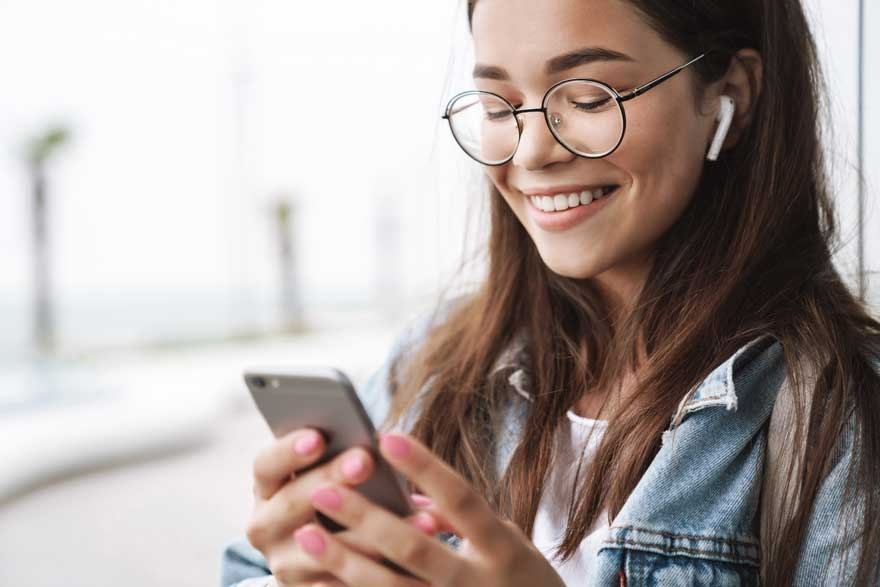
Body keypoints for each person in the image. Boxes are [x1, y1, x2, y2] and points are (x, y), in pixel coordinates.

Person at [220, 0, 880, 585]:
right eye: (499, 106)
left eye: (590, 97)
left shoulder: (841, 413)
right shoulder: (434, 358)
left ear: (732, 93)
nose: (532, 151)